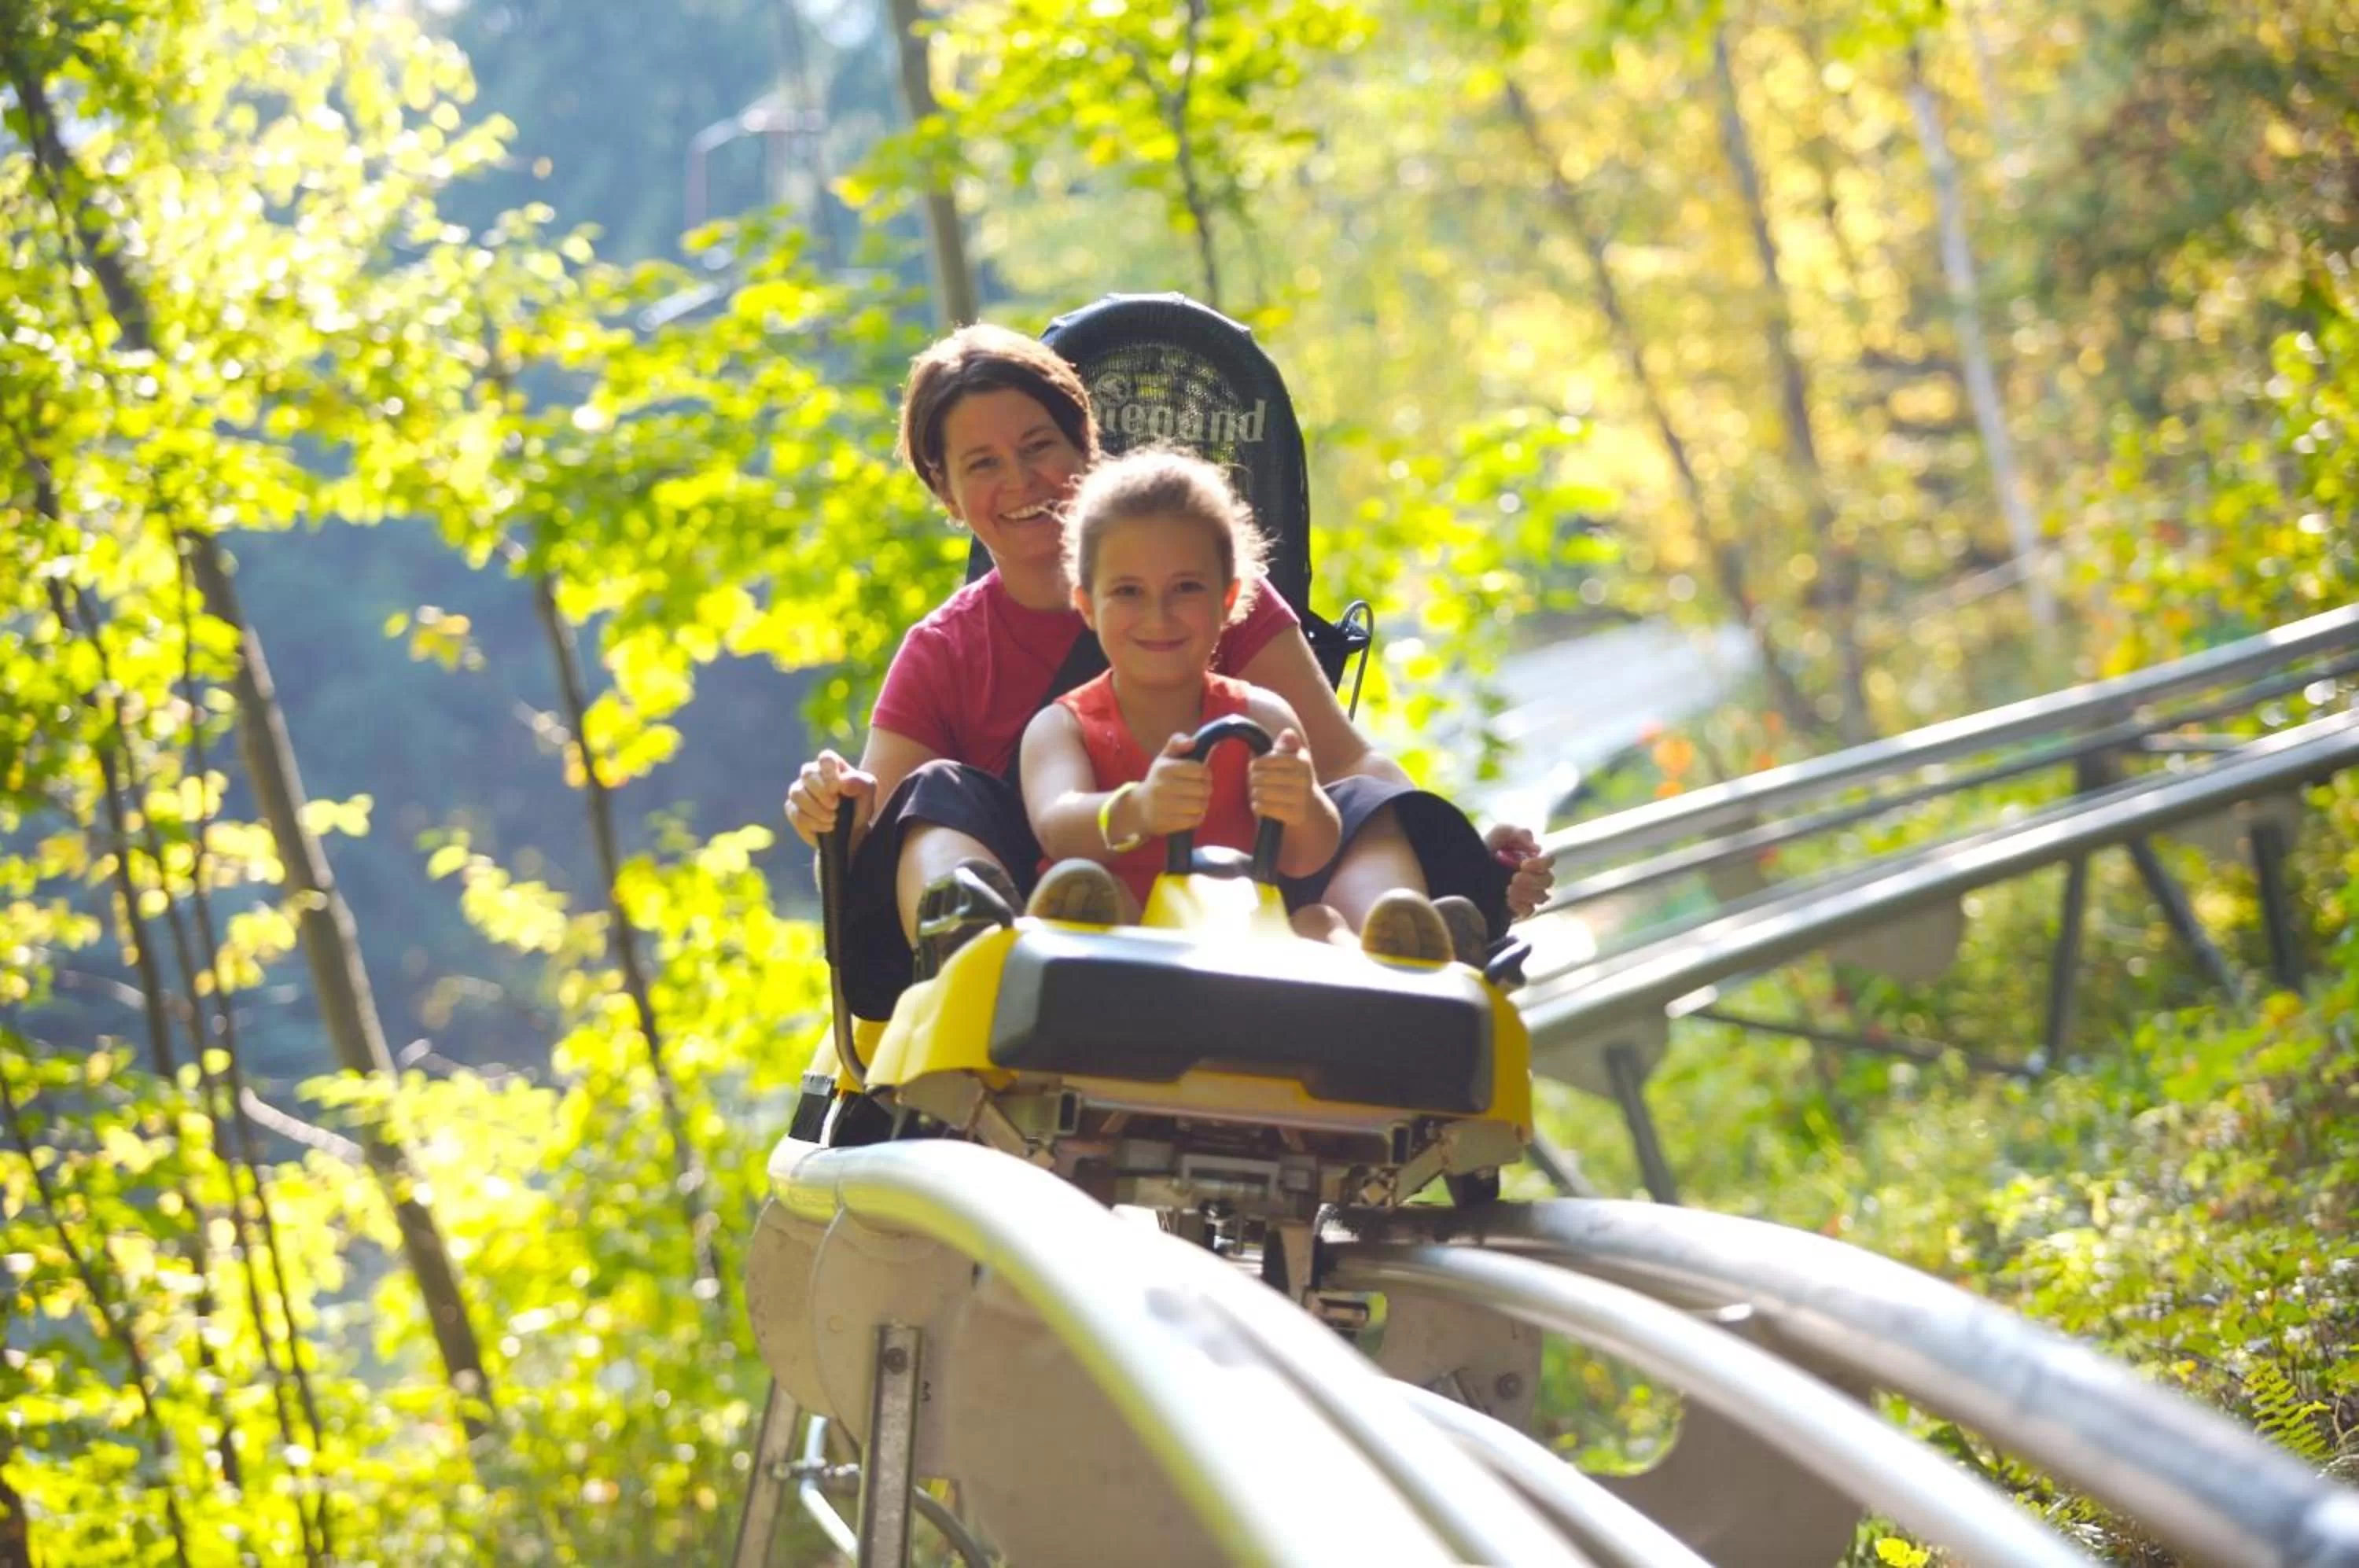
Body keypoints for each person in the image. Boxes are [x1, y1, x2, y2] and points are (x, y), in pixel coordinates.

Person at [784, 322, 1553, 1018]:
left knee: (1364, 801)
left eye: (1038, 445)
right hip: (1056, 905)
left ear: (1085, 446)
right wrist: (835, 814)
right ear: (946, 492)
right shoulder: (946, 651)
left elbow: (1350, 768)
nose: (1019, 480)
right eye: (983, 463)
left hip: (1246, 895)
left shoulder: (1213, 594)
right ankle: (977, 945)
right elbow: (870, 858)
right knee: (932, 795)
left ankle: (1406, 941)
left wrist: (1467, 865)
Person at [1018, 447, 1485, 963]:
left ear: (1228, 600)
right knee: (1096, 898)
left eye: (1187, 588)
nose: (1159, 616)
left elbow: (1311, 856)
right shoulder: (1063, 727)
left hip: (1243, 943)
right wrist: (1140, 808)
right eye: (1128, 592)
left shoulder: (1263, 717)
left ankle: (1396, 962)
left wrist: (1299, 804)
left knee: (1317, 921)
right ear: (1087, 604)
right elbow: (1057, 827)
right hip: (1126, 954)